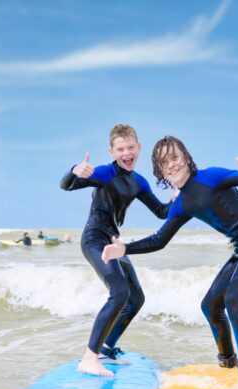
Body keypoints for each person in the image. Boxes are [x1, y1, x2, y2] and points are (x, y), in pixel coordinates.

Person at [102, 136, 238, 389]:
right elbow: (159, 240)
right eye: (164, 163)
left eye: (174, 157)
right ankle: (229, 365)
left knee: (234, 299)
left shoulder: (211, 177)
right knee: (210, 306)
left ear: (186, 157)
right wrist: (124, 249)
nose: (171, 165)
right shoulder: (182, 204)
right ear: (160, 172)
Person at [61, 123, 176, 376]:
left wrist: (174, 200)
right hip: (94, 239)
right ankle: (89, 358)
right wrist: (74, 170)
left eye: (130, 147)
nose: (126, 153)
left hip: (113, 243)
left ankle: (105, 349)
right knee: (120, 291)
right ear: (112, 152)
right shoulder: (104, 173)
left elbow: (161, 212)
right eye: (120, 149)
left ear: (139, 148)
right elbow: (67, 185)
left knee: (136, 298)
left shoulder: (139, 182)